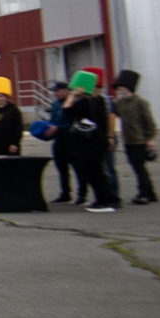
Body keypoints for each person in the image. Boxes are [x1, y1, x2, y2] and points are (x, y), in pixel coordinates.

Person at [62, 71, 118, 212]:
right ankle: (105, 199)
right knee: (98, 171)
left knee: (94, 172)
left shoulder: (85, 102)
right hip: (98, 140)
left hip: (89, 143)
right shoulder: (98, 101)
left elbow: (67, 110)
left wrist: (73, 95)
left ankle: (102, 201)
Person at [115, 70, 160, 204]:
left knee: (139, 167)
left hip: (139, 139)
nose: (119, 90)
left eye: (121, 87)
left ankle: (144, 192)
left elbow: (149, 121)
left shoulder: (140, 102)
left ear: (128, 87)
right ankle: (150, 192)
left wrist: (149, 138)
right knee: (136, 166)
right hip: (128, 139)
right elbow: (114, 114)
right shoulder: (120, 103)